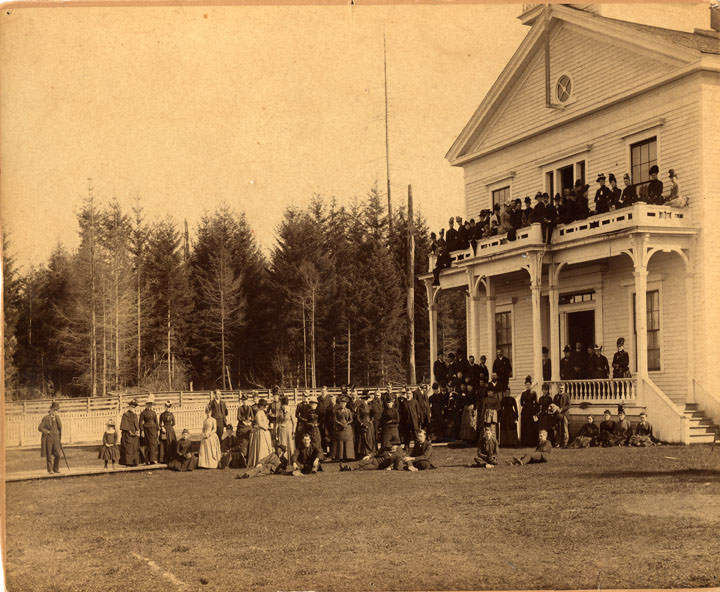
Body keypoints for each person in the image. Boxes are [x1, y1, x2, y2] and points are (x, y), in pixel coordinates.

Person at [339, 442, 406, 471]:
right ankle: (347, 467)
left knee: (364, 468)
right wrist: (369, 456)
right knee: (361, 462)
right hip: (374, 460)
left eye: (394, 448)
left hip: (377, 466)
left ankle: (348, 468)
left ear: (397, 449)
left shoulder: (395, 456)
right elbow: (377, 453)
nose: (392, 448)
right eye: (392, 447)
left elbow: (396, 462)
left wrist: (390, 468)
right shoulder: (386, 450)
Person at [38, 401, 63, 474]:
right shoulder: (46, 418)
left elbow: (60, 428)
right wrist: (47, 432)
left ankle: (56, 468)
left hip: (56, 438)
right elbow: (40, 428)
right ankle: (50, 470)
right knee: (49, 454)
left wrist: (59, 437)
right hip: (48, 438)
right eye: (54, 410)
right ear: (51, 409)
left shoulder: (57, 418)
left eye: (57, 410)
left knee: (58, 454)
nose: (55, 411)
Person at [247, 399, 273, 466]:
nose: (264, 407)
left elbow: (266, 421)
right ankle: (260, 461)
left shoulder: (263, 412)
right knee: (262, 448)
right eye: (263, 406)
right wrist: (266, 427)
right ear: (260, 406)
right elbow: (259, 424)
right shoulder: (258, 413)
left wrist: (268, 425)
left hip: (265, 431)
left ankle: (266, 460)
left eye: (265, 406)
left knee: (266, 447)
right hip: (261, 432)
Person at [332, 397, 355, 461]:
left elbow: (351, 419)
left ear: (346, 404)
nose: (343, 404)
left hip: (347, 428)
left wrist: (347, 423)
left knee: (348, 442)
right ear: (339, 404)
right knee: (340, 442)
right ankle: (340, 457)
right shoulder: (337, 411)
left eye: (344, 403)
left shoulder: (348, 410)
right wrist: (341, 424)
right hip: (339, 428)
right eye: (341, 403)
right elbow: (335, 419)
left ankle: (348, 456)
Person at [119, 399, 140, 467]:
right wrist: (130, 431)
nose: (132, 408)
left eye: (134, 407)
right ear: (129, 407)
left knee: (135, 447)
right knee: (128, 447)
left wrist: (137, 430)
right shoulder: (125, 415)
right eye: (131, 407)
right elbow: (125, 424)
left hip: (134, 433)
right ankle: (128, 462)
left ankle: (134, 462)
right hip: (128, 433)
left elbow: (136, 424)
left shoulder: (135, 415)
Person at [235, 393, 254, 466]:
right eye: (243, 400)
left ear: (247, 400)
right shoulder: (240, 408)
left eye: (245, 400)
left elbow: (252, 417)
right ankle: (243, 457)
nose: (244, 402)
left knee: (250, 440)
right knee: (243, 442)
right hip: (242, 426)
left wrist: (250, 421)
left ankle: (249, 458)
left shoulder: (249, 408)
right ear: (242, 401)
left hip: (248, 426)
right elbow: (238, 417)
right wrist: (244, 421)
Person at [520, 377, 539, 447]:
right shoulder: (523, 394)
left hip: (531, 412)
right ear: (525, 385)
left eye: (529, 384)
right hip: (525, 411)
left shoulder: (533, 393)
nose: (528, 386)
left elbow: (536, 403)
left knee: (531, 427)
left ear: (531, 385)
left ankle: (532, 443)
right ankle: (525, 443)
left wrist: (535, 412)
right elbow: (521, 403)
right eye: (526, 384)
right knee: (525, 427)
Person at [140, 398, 159, 465]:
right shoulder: (143, 413)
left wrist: (158, 430)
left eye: (151, 404)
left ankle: (153, 459)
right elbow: (140, 422)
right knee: (147, 444)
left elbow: (156, 422)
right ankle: (147, 460)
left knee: (153, 444)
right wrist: (142, 431)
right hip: (146, 430)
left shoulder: (154, 413)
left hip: (153, 430)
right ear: (146, 405)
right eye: (148, 404)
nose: (149, 406)